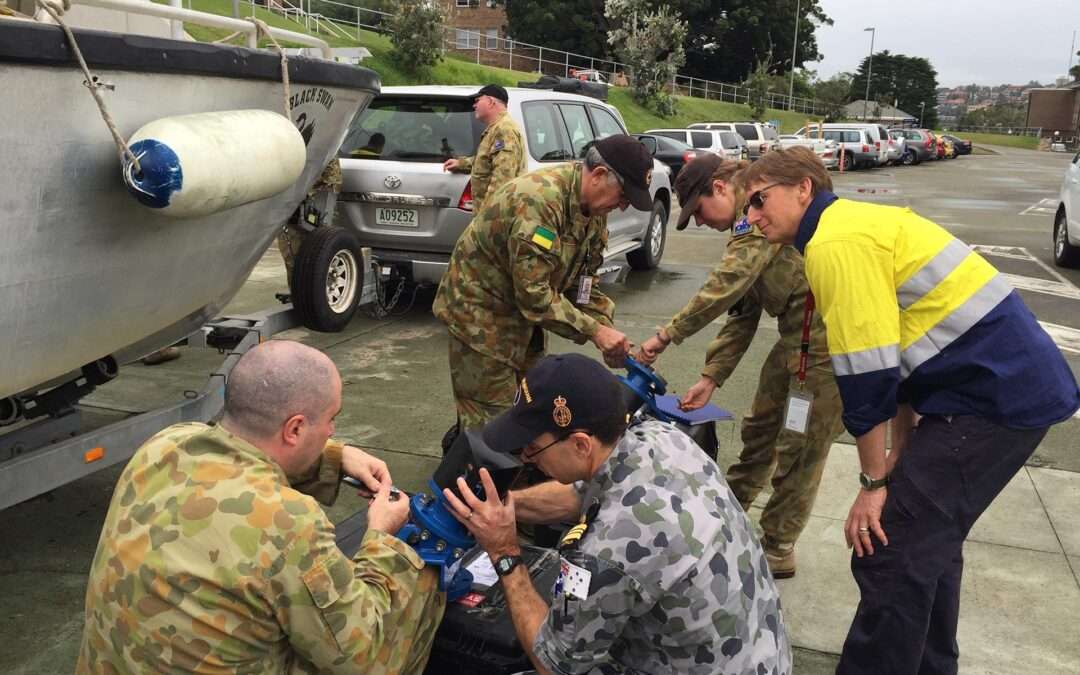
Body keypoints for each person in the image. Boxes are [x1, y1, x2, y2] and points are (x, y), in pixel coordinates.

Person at [739, 146, 1080, 674]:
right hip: (994, 389)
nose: (752, 217)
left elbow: (868, 375)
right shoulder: (849, 225)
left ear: (803, 188)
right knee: (929, 545)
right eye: (747, 208)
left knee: (891, 548)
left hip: (991, 398)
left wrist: (873, 485)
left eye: (759, 201)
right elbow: (895, 360)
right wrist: (899, 451)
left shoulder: (834, 243)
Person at [77, 340, 446, 674]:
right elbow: (363, 658)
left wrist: (335, 458)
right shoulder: (290, 523)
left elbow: (238, 455)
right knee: (418, 583)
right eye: (331, 420)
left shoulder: (164, 445)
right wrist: (382, 539)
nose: (332, 431)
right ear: (295, 429)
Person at [440, 353, 792, 675]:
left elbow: (555, 662)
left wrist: (504, 553)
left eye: (532, 449)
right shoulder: (661, 437)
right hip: (760, 655)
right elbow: (582, 493)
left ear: (580, 444)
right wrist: (506, 507)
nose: (528, 458)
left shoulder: (602, 551)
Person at [635, 153, 844, 579]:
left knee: (799, 446)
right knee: (760, 427)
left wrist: (665, 335)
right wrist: (711, 378)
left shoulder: (756, 222)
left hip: (824, 339)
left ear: (719, 188)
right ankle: (728, 514)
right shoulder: (748, 227)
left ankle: (777, 547)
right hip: (796, 335)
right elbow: (742, 313)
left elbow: (723, 289)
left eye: (698, 211)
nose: (699, 222)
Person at [433, 134, 649, 430]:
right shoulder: (540, 200)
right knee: (492, 424)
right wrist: (596, 332)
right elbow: (534, 296)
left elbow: (583, 284)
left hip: (523, 322)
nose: (623, 207)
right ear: (599, 175)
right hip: (481, 318)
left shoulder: (592, 211)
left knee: (531, 409)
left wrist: (608, 331)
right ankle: (464, 473)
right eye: (623, 197)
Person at [442, 84, 527, 212]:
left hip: (495, 217)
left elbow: (502, 180)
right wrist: (462, 163)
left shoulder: (504, 130)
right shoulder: (496, 128)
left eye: (477, 101)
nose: (474, 105)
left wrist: (487, 216)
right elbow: (487, 160)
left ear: (491, 102)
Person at [277, 158, 342, 291]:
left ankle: (304, 292)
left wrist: (304, 192)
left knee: (306, 258)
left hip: (311, 211)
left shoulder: (324, 149)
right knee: (292, 255)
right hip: (297, 212)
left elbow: (332, 180)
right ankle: (297, 292)